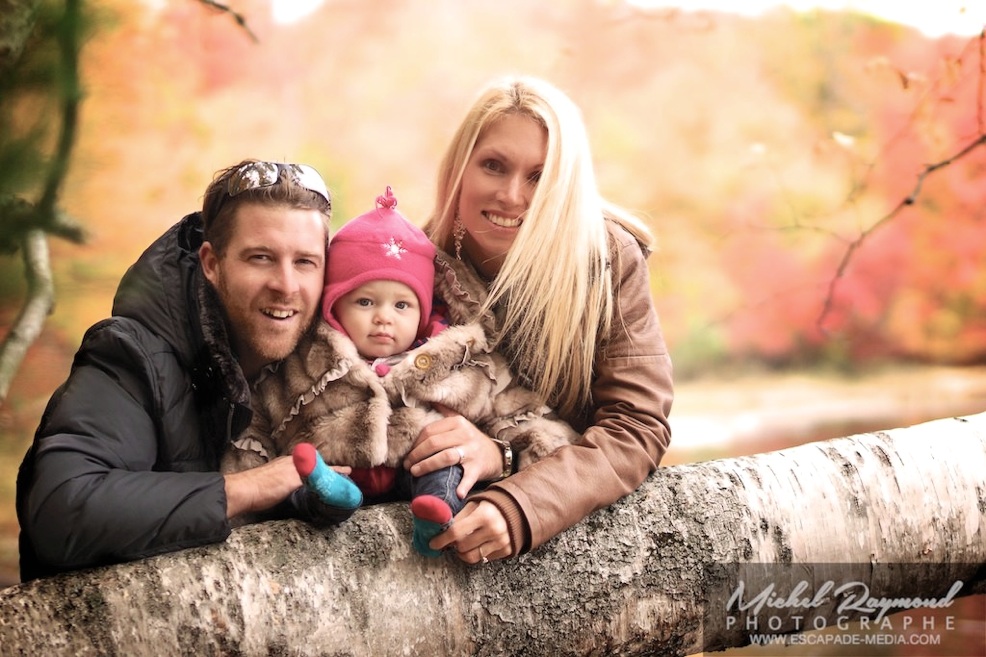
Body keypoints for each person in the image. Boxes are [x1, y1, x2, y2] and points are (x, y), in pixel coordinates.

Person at [15, 160, 351, 582]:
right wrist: (249, 487)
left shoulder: (333, 362)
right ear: (211, 263)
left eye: (305, 262)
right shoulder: (132, 354)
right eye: (261, 258)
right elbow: (62, 509)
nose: (286, 285)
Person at [222, 186, 580, 557]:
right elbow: (257, 426)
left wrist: (505, 454)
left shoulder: (464, 360)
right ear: (333, 307)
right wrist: (241, 489)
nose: (383, 317)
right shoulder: (304, 361)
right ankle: (331, 498)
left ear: (424, 314)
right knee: (301, 483)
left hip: (421, 469)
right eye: (364, 301)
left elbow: (530, 421)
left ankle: (436, 514)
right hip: (336, 473)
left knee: (446, 468)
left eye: (402, 305)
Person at [403, 75, 674, 564]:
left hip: (563, 522)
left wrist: (517, 497)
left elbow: (636, 426)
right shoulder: (407, 266)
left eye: (538, 176)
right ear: (459, 170)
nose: (511, 195)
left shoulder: (607, 260)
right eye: (493, 165)